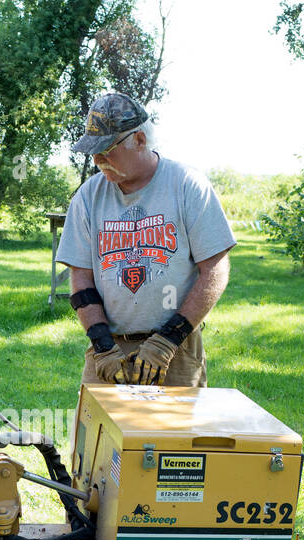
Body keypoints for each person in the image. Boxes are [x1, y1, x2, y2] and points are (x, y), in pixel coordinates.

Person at [56, 93, 236, 387]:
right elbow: (82, 277)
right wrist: (102, 345)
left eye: (106, 149)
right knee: (98, 433)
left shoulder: (187, 185)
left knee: (172, 434)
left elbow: (215, 270)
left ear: (139, 140)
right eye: (93, 151)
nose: (97, 159)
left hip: (176, 348)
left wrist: (168, 339)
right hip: (108, 350)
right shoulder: (88, 197)